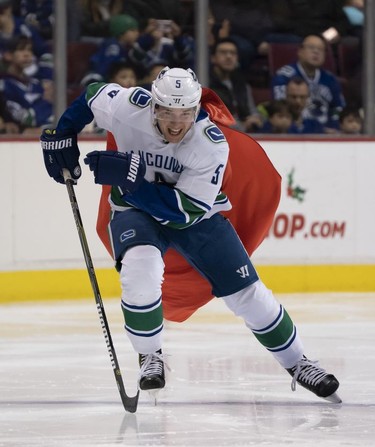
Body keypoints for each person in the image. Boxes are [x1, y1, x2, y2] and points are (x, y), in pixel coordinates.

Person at [40, 66, 341, 404]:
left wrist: (133, 184)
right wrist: (65, 131)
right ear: (153, 105)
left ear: (197, 109)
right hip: (135, 213)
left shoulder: (210, 144)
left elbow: (184, 213)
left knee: (247, 294)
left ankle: (298, 362)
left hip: (193, 216)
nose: (176, 122)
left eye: (186, 113)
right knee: (141, 269)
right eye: (168, 111)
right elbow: (93, 94)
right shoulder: (129, 108)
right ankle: (150, 354)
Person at [272, 34, 346, 132]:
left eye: (320, 49)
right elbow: (280, 106)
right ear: (300, 51)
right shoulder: (284, 76)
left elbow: (339, 107)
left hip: (326, 133)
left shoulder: (330, 79)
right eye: (311, 48)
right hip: (295, 131)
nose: (316, 52)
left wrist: (334, 126)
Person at [209, 38, 263, 132]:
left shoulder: (243, 85)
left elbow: (253, 111)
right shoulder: (206, 85)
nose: (229, 56)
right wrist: (242, 126)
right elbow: (213, 119)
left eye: (233, 53)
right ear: (213, 58)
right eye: (223, 52)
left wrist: (255, 119)